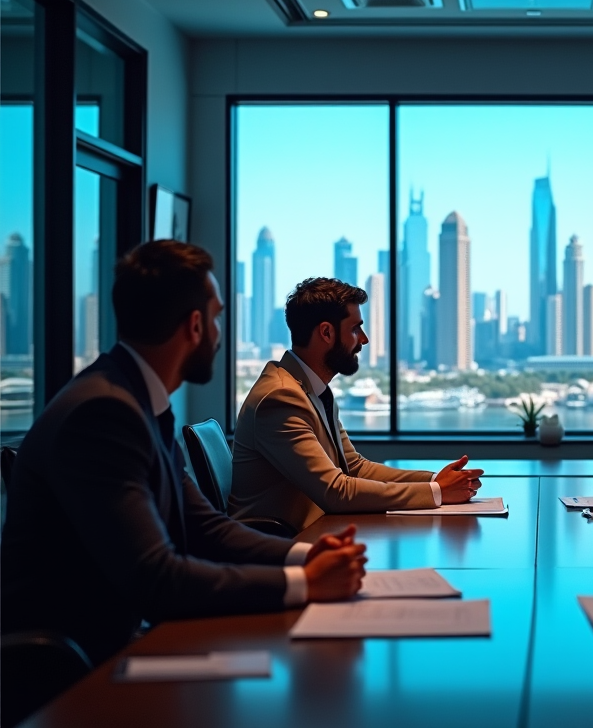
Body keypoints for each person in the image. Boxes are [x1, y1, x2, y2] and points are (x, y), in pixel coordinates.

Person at [0, 241, 367, 667]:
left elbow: (204, 528)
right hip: (74, 667)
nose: (217, 334)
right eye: (216, 319)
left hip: (116, 642)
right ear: (194, 325)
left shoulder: (136, 400)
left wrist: (304, 556)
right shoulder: (104, 413)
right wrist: (301, 583)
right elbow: (157, 577)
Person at [231, 277, 484, 531]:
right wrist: (437, 492)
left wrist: (435, 480)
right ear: (327, 332)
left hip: (318, 535)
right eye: (355, 329)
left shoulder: (312, 390)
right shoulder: (281, 398)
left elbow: (355, 467)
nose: (364, 339)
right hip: (281, 550)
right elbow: (335, 491)